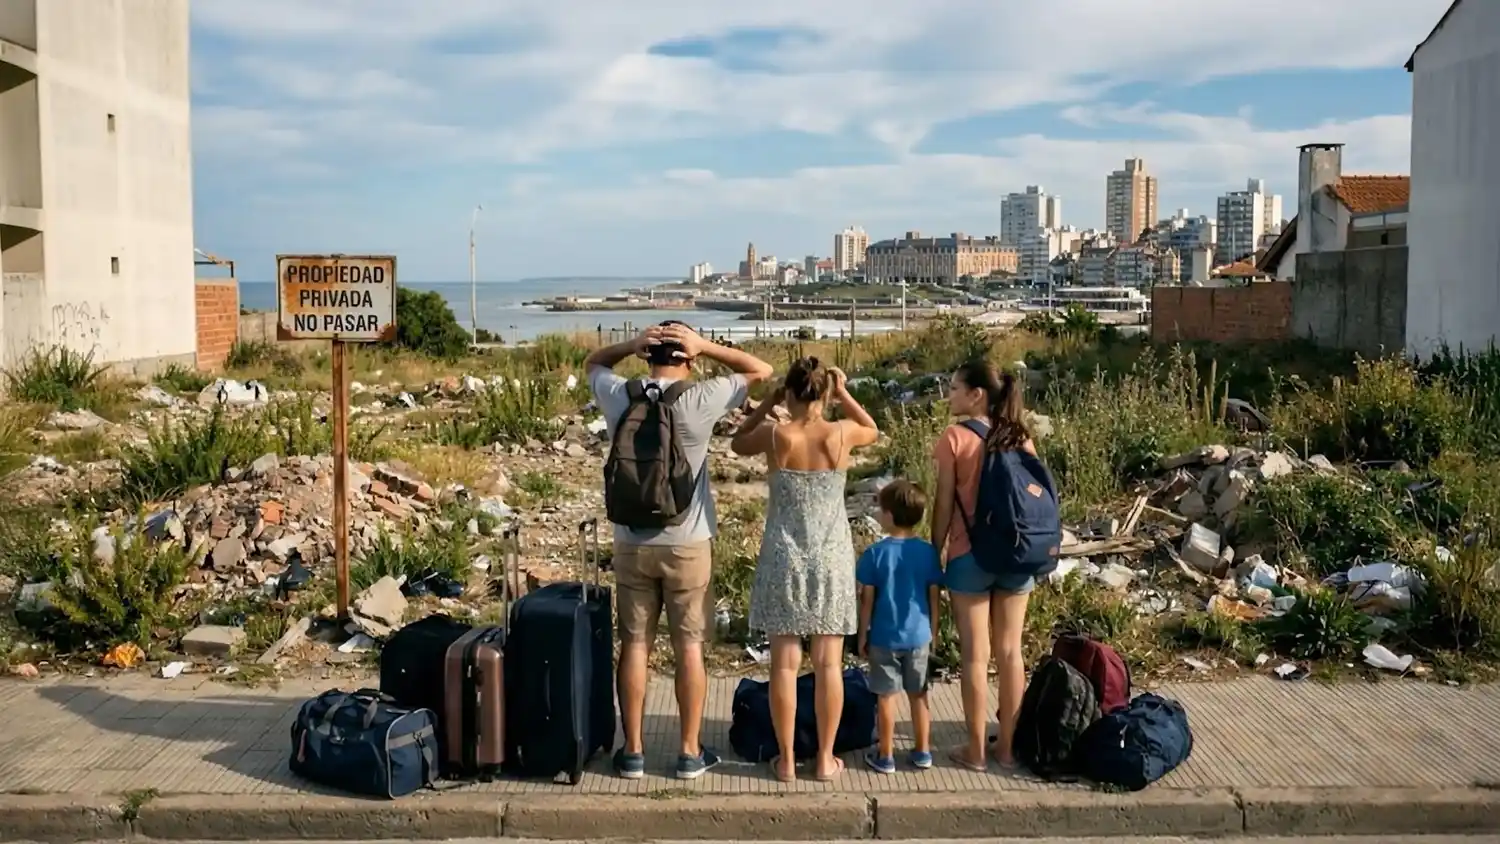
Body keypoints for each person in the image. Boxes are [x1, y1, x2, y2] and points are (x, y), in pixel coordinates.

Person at [586, 321, 773, 780]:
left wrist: (630, 344)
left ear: (648, 355)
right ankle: (689, 752)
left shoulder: (620, 394)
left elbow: (593, 363)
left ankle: (632, 751)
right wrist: (706, 346)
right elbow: (761, 370)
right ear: (688, 359)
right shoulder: (700, 398)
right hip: (688, 542)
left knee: (635, 645)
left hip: (631, 541)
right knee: (689, 646)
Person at [730, 358, 879, 782]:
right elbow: (871, 427)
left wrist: (767, 404)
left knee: (783, 664)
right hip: (831, 556)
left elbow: (737, 443)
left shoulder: (776, 434)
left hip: (785, 556)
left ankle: (787, 760)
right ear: (824, 393)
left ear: (790, 393)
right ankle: (826, 759)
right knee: (829, 663)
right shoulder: (841, 433)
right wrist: (844, 393)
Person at [929, 360, 1037, 773]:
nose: (949, 395)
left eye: (955, 388)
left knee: (975, 656)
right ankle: (1006, 749)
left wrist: (935, 550)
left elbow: (943, 503)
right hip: (1016, 555)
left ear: (976, 395)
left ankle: (975, 751)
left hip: (969, 555)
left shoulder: (955, 438)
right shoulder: (1019, 436)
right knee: (1011, 652)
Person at [855, 479, 944, 774]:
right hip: (919, 636)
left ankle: (886, 755)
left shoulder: (875, 554)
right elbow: (934, 597)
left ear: (890, 515)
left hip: (884, 636)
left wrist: (862, 634)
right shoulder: (928, 553)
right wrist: (933, 632)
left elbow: (867, 601)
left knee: (885, 696)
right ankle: (923, 751)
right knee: (919, 694)